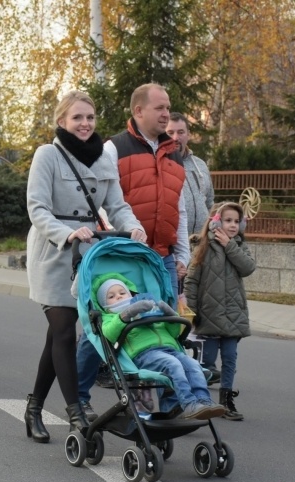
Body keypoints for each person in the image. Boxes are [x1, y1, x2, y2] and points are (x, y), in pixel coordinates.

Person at [24, 90, 146, 444]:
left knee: (57, 338)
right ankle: (76, 409)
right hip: (54, 249)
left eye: (89, 118)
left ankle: (34, 407)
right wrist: (66, 233)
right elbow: (37, 208)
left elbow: (117, 205)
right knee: (63, 330)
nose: (84, 124)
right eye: (77, 117)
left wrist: (134, 225)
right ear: (62, 121)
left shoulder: (104, 159)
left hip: (88, 253)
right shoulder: (48, 155)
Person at [77, 83, 189, 420]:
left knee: (161, 326)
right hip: (123, 254)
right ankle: (79, 394)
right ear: (139, 111)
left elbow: (177, 208)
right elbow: (104, 199)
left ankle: (165, 402)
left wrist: (181, 251)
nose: (166, 113)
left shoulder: (174, 154)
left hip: (160, 257)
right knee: (104, 326)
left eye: (168, 107)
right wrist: (117, 237)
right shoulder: (114, 148)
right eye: (160, 108)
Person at [93, 273, 226, 420]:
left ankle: (203, 400)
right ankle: (189, 403)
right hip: (144, 354)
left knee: (193, 364)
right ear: (105, 305)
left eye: (122, 293)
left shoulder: (148, 308)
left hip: (170, 349)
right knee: (173, 365)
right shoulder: (110, 317)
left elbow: (174, 332)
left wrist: (170, 314)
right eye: (111, 296)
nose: (118, 297)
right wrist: (127, 314)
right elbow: (110, 334)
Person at [185, 202, 255, 421]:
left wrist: (230, 246)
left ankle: (226, 400)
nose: (233, 225)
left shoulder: (240, 246)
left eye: (236, 221)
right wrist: (191, 312)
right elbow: (192, 281)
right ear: (216, 222)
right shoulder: (204, 247)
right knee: (206, 361)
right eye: (228, 220)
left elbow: (248, 268)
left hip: (233, 314)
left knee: (230, 358)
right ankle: (201, 399)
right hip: (209, 314)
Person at [166, 112, 214, 235]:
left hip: (202, 244)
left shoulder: (201, 165)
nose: (175, 138)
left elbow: (209, 203)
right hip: (174, 245)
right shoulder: (157, 165)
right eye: (170, 133)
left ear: (188, 135)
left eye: (181, 132)